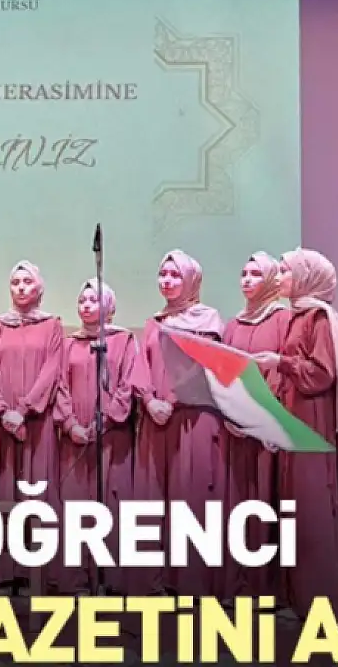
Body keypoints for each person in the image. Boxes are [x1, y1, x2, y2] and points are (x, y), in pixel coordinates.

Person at [267, 248, 338, 619]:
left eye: (285, 271)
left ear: (306, 277)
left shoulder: (319, 317)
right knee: (294, 506)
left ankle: (320, 599)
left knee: (311, 506)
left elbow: (320, 373)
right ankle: (299, 597)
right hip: (295, 413)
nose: (279, 277)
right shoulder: (297, 315)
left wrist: (280, 362)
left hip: (311, 417)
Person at [136, 249, 227, 596]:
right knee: (154, 498)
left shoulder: (208, 320)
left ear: (191, 280)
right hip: (156, 419)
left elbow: (203, 368)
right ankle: (154, 581)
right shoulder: (154, 322)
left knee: (190, 498)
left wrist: (170, 401)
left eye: (175, 275)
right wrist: (149, 400)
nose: (167, 281)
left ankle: (191, 583)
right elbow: (140, 366)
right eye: (163, 274)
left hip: (193, 418)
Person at [52, 279, 147, 595]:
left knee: (112, 505)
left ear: (109, 305)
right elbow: (59, 387)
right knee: (76, 507)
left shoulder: (124, 340)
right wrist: (71, 425)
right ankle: (76, 580)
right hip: (75, 438)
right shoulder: (68, 344)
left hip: (112, 437)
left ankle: (112, 579)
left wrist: (104, 420)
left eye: (93, 300)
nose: (86, 305)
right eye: (82, 300)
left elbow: (128, 385)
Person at [0, 260, 64, 595]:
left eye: (27, 281)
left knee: (37, 494)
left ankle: (36, 574)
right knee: (3, 495)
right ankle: (3, 573)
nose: (20, 287)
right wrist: (4, 411)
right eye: (15, 282)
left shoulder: (52, 325)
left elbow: (51, 371)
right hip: (1, 425)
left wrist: (25, 409)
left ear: (39, 287)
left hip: (37, 423)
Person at [221, 251, 291, 598]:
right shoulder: (233, 324)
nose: (247, 280)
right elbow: (224, 373)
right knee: (237, 504)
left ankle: (267, 588)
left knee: (267, 502)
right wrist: (231, 413)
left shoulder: (283, 319)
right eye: (243, 273)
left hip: (267, 430)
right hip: (236, 429)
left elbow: (282, 372)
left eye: (255, 274)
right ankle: (237, 583)